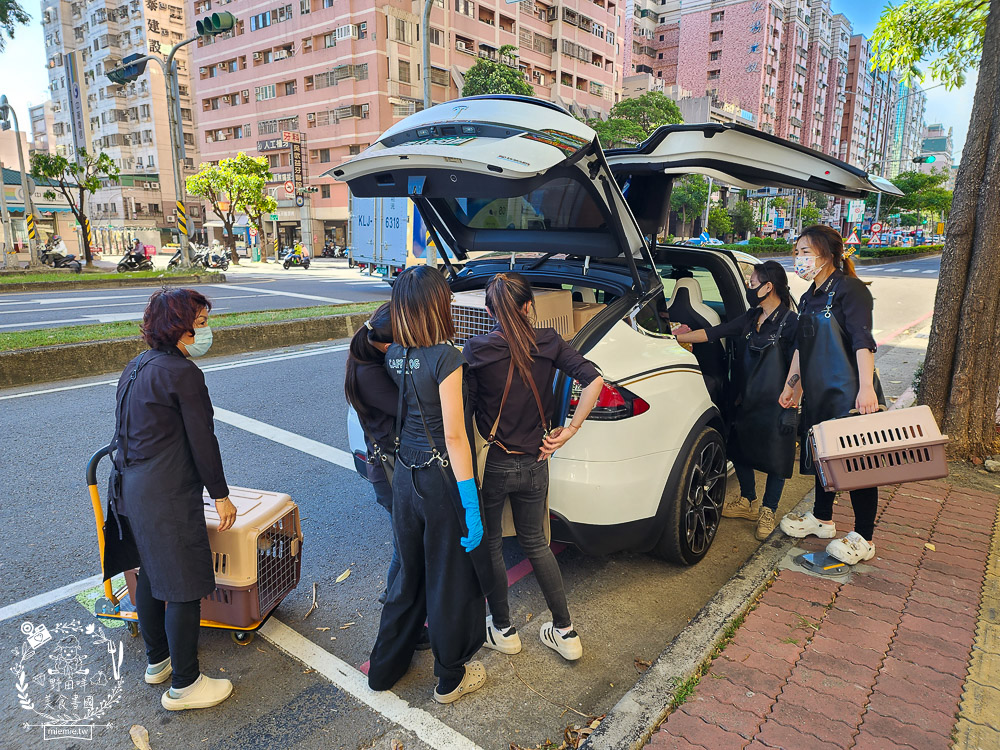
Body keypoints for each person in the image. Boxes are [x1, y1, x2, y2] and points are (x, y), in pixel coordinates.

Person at [105, 289, 236, 711]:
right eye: (199, 322)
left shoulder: (137, 364)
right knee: (181, 584)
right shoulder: (183, 374)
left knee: (150, 573)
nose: (205, 329)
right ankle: (185, 684)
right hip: (165, 492)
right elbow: (204, 442)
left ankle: (158, 660)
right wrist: (221, 496)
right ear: (178, 326)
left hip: (129, 488)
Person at [464, 273, 604, 662]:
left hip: (494, 463)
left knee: (492, 543)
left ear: (490, 311)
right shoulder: (550, 342)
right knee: (537, 544)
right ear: (529, 307)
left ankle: (504, 630)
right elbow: (594, 380)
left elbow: (466, 412)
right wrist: (569, 430)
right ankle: (566, 631)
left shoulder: (476, 349)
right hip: (537, 460)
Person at [367, 265, 491, 704]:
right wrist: (470, 502)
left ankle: (383, 668)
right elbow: (456, 437)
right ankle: (450, 677)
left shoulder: (394, 354)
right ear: (437, 305)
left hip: (404, 476)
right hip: (440, 480)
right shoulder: (447, 358)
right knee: (447, 578)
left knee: (406, 571)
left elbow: (374, 334)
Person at [778, 225, 883, 565]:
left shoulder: (850, 290)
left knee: (859, 465)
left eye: (805, 252)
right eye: (797, 252)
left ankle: (864, 537)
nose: (800, 259)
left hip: (850, 393)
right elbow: (801, 346)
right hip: (819, 394)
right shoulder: (809, 296)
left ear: (826, 254)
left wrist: (865, 390)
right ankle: (822, 519)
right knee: (825, 459)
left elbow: (862, 340)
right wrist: (792, 385)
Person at [674, 261, 799, 541]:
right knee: (739, 449)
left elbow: (801, 360)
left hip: (777, 399)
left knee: (776, 457)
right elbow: (711, 334)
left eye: (752, 283)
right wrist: (673, 338)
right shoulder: (750, 317)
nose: (748, 288)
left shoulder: (791, 322)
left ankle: (768, 509)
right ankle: (748, 501)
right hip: (746, 396)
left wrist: (793, 392)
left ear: (769, 287)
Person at [344, 303, 429, 648]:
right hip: (389, 471)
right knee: (407, 549)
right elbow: (412, 406)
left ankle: (394, 604)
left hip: (389, 465)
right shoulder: (371, 375)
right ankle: (398, 623)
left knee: (404, 545)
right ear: (383, 343)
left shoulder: (370, 361)